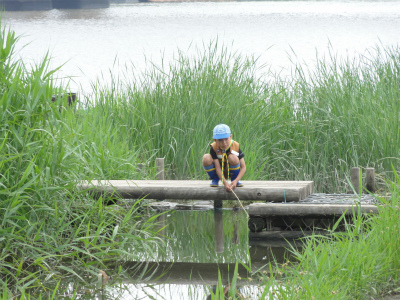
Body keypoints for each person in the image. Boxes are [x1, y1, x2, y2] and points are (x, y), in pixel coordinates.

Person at [202, 124, 246, 192]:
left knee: (233, 158)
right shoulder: (213, 147)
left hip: (230, 171)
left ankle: (234, 181)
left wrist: (236, 180)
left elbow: (243, 167)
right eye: (220, 140)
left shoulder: (235, 146)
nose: (224, 142)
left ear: (230, 137)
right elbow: (217, 167)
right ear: (215, 140)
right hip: (219, 171)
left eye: (226, 139)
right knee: (206, 157)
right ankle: (215, 179)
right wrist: (225, 183)